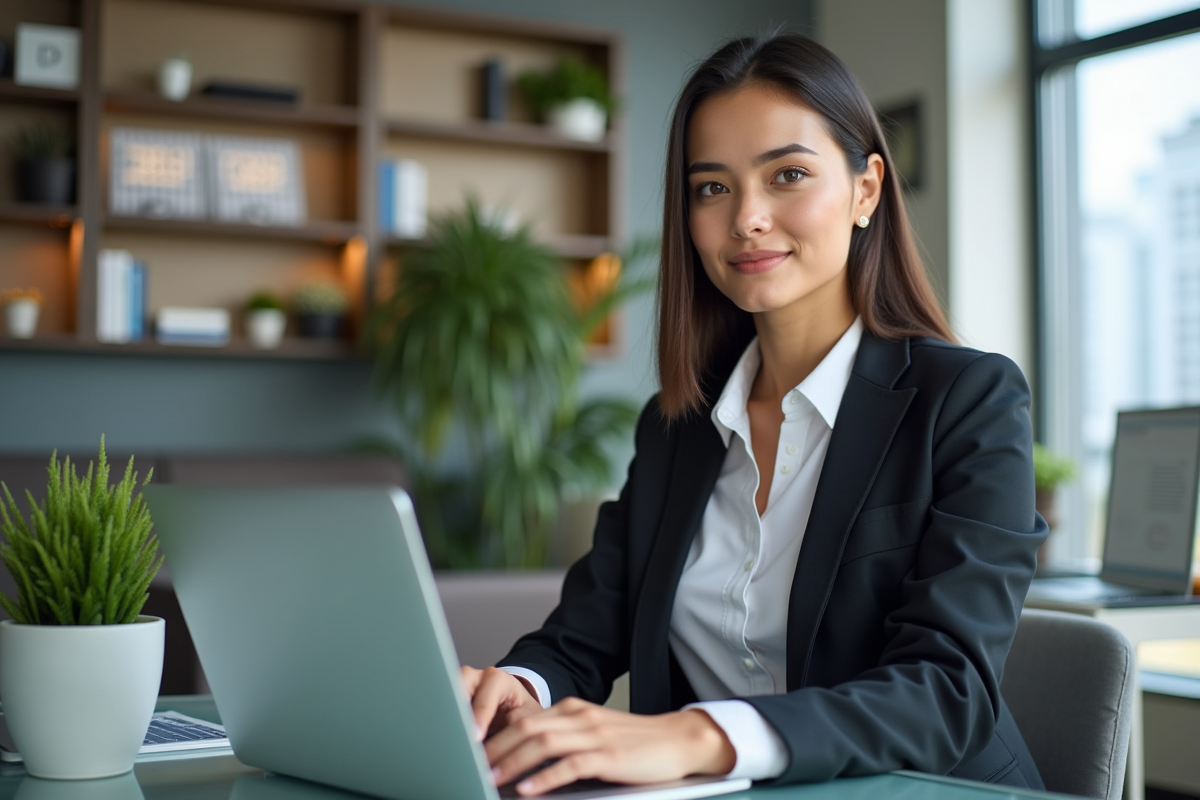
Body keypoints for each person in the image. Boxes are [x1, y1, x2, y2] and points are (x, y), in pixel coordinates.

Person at [461, 32, 1047, 795]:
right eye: (713, 187)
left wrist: (698, 735)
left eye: (788, 175)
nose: (747, 219)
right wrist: (521, 685)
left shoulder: (968, 402)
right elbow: (584, 636)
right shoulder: (678, 425)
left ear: (866, 190)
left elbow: (946, 692)